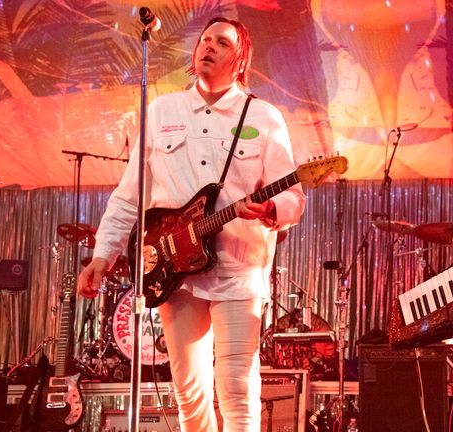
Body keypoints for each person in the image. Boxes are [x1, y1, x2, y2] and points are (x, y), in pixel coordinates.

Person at [78, 17, 306, 432]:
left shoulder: (265, 117)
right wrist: (103, 254)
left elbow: (294, 196)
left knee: (237, 387)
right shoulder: (162, 110)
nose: (209, 46)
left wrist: (272, 209)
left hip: (239, 269)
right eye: (205, 40)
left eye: (222, 42)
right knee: (189, 390)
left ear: (240, 60)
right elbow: (131, 193)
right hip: (174, 269)